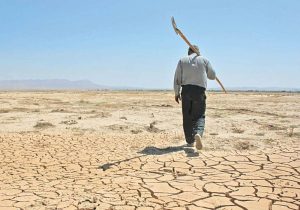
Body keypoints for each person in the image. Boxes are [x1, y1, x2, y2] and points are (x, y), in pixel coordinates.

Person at [173, 45, 216, 150]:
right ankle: (198, 133)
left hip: (186, 91)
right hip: (199, 92)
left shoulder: (182, 60)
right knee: (200, 116)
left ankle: (190, 141)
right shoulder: (204, 60)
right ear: (198, 51)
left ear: (189, 51)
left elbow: (177, 78)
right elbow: (212, 76)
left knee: (187, 117)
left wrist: (176, 92)